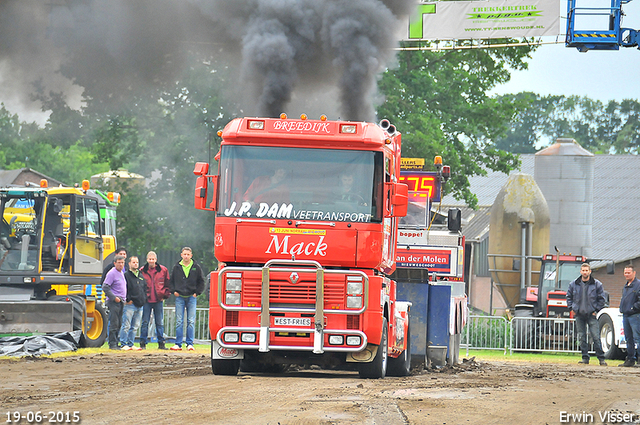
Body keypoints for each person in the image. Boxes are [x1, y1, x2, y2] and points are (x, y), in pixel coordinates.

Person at [566, 263, 607, 366]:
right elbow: (568, 297)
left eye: (586, 270)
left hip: (591, 315)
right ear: (580, 271)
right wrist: (572, 308)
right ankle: (585, 357)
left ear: (590, 271)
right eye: (583, 270)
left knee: (596, 337)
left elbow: (602, 300)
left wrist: (596, 310)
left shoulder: (597, 284)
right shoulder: (573, 284)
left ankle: (601, 358)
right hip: (579, 315)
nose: (585, 272)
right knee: (581, 337)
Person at [169, 247, 205, 351]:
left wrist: (197, 293)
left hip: (191, 297)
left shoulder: (196, 267)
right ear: (181, 255)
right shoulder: (176, 267)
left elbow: (201, 281)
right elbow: (171, 281)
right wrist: (173, 291)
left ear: (191, 256)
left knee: (190, 321)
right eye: (184, 254)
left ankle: (190, 343)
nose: (186, 256)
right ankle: (178, 344)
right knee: (179, 321)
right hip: (179, 297)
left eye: (188, 254)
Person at [140, 251, 171, 350]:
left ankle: (161, 343)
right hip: (147, 300)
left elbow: (167, 283)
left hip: (158, 299)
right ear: (147, 259)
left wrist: (165, 295)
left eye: (153, 259)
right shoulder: (142, 271)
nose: (151, 261)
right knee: (145, 322)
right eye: (150, 259)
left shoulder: (163, 270)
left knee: (159, 322)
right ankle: (143, 342)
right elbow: (139, 285)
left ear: (156, 260)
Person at [119, 256, 147, 351]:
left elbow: (144, 288)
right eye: (133, 262)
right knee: (126, 325)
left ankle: (131, 343)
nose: (135, 264)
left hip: (140, 305)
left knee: (135, 326)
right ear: (129, 264)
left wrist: (144, 299)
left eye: (137, 262)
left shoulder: (141, 275)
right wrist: (127, 299)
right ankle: (123, 344)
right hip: (130, 304)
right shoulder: (126, 275)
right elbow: (123, 288)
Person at [102, 255, 127, 350]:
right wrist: (113, 297)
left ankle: (116, 342)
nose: (121, 264)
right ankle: (112, 344)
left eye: (122, 263)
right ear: (114, 263)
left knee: (119, 323)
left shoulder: (121, 273)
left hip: (121, 301)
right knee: (114, 323)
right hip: (114, 302)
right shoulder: (112, 273)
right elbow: (105, 287)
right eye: (119, 262)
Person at [618, 265, 640, 367]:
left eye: (628, 273)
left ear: (634, 273)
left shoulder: (638, 285)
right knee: (628, 338)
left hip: (635, 315)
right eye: (625, 273)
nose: (626, 275)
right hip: (626, 315)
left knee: (637, 338)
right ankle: (630, 359)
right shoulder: (626, 285)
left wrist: (633, 308)